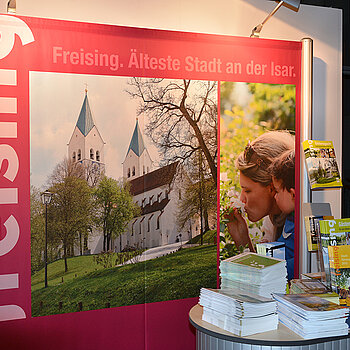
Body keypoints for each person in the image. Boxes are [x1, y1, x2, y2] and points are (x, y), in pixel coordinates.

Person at [225, 130, 295, 255]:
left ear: (273, 186)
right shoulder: (272, 222)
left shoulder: (296, 226)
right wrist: (242, 241)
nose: (242, 200)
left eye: (247, 190)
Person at [270, 149, 295, 280]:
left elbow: (298, 263)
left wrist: (276, 271)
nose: (275, 196)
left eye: (278, 191)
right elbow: (283, 245)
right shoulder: (290, 218)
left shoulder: (306, 224)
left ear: (293, 194)